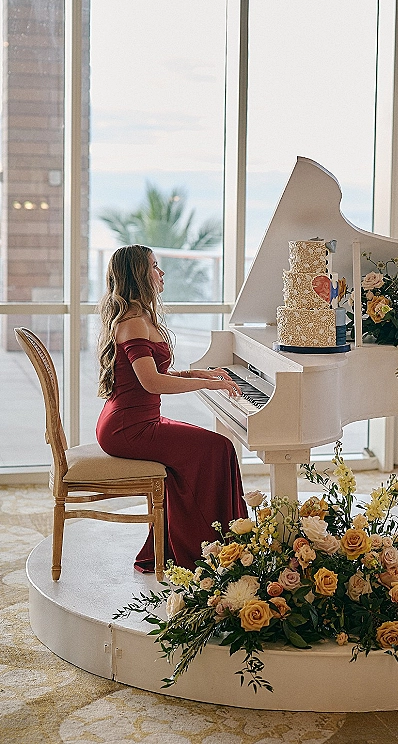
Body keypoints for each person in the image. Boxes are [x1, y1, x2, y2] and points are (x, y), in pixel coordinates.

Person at [96, 244, 248, 572]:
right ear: (138, 275)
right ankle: (209, 549)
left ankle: (208, 544)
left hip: (136, 420)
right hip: (129, 428)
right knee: (218, 448)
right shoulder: (133, 322)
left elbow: (155, 375)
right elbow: (152, 383)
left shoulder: (141, 316)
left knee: (215, 449)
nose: (160, 272)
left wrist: (197, 373)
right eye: (153, 266)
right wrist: (208, 384)